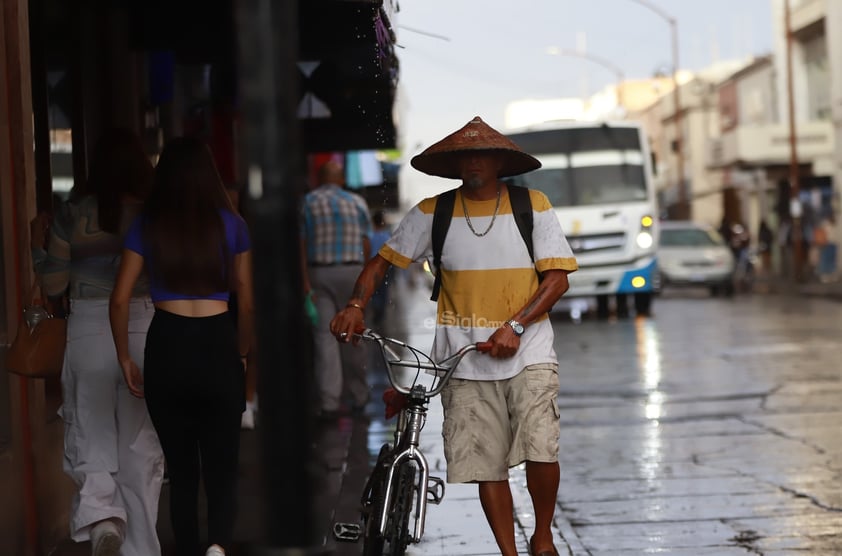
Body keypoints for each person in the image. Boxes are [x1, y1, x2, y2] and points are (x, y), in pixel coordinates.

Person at [330, 116, 578, 556]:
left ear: (501, 162)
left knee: (543, 447)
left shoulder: (532, 204)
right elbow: (381, 263)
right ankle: (510, 552)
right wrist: (354, 305)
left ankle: (542, 537)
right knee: (487, 464)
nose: (474, 161)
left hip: (530, 348)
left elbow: (557, 280)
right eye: (465, 155)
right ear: (454, 164)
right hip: (461, 359)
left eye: (483, 154)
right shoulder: (432, 213)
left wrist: (515, 325)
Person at [109, 136, 254, 556]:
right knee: (222, 466)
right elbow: (246, 299)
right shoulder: (233, 224)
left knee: (182, 471)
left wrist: (123, 357)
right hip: (217, 344)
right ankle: (218, 547)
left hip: (167, 345)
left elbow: (119, 299)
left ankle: (189, 548)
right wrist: (241, 352)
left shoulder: (147, 224)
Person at [37, 128, 164, 556]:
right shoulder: (154, 212)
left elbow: (53, 283)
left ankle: (102, 519)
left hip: (90, 326)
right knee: (140, 445)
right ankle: (142, 548)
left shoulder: (73, 215)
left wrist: (41, 250)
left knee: (89, 433)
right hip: (146, 325)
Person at [300, 159, 372, 420]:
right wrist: (365, 280)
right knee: (354, 334)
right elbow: (366, 244)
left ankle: (330, 402)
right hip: (353, 273)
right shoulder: (357, 202)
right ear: (341, 180)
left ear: (319, 179)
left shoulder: (308, 202)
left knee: (324, 338)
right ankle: (360, 396)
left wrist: (305, 282)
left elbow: (302, 243)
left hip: (319, 272)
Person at [368, 210, 393, 327]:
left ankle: (375, 309)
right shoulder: (386, 236)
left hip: (372, 268)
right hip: (385, 268)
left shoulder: (370, 236)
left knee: (373, 290)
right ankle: (380, 314)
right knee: (383, 290)